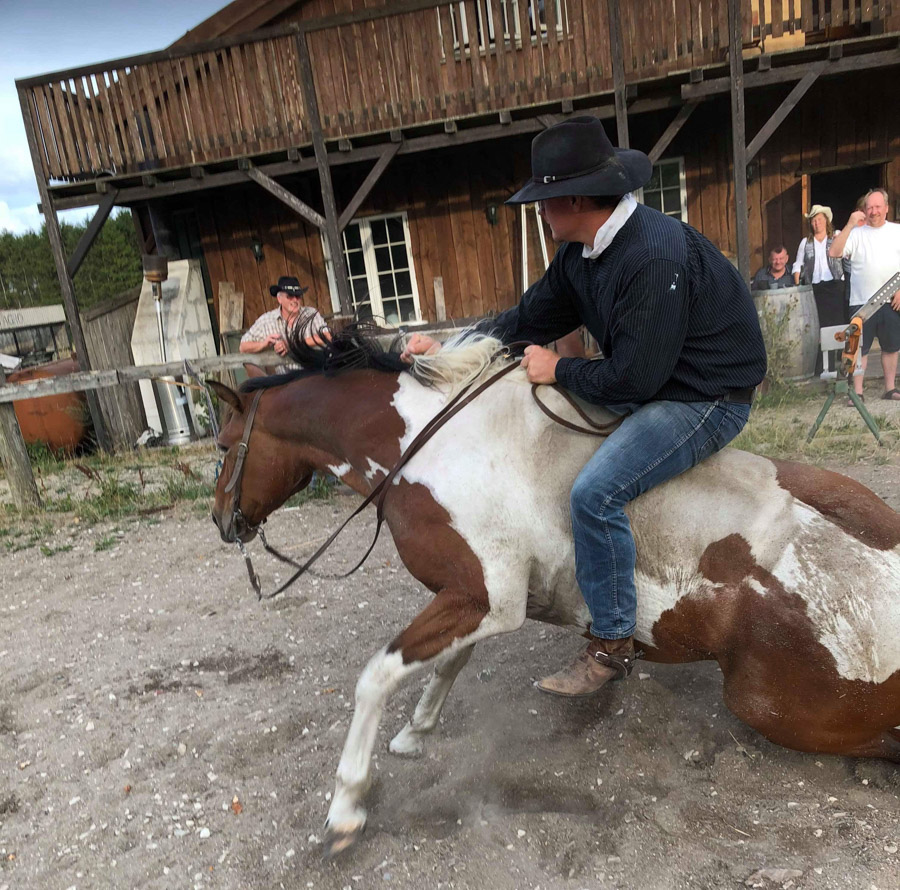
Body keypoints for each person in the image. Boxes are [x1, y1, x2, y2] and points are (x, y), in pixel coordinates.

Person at [401, 116, 766, 697]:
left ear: (574, 199)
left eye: (545, 201)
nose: (541, 213)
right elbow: (525, 320)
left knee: (594, 493)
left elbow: (635, 379)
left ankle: (612, 643)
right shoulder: (582, 253)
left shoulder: (652, 257)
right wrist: (449, 350)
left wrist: (560, 369)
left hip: (704, 396)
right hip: (657, 380)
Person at [828, 188, 900, 403]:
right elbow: (834, 252)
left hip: (891, 300)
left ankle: (890, 389)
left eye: (878, 207)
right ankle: (857, 392)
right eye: (870, 207)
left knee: (891, 347)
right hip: (862, 302)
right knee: (860, 349)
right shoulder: (855, 233)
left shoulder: (897, 231)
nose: (873, 211)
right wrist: (850, 225)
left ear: (886, 208)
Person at [240, 275, 329, 361]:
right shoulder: (266, 320)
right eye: (290, 296)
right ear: (279, 299)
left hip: (314, 369)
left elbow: (328, 336)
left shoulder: (311, 314)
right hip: (285, 371)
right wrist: (264, 344)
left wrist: (292, 345)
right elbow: (243, 347)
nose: (295, 300)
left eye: (298, 296)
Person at [791, 204, 846, 327]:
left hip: (835, 285)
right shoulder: (805, 242)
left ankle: (836, 340)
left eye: (820, 219)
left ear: (826, 221)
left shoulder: (836, 236)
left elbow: (847, 255)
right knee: (817, 321)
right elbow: (798, 264)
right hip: (814, 287)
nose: (817, 223)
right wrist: (798, 286)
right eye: (814, 220)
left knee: (837, 320)